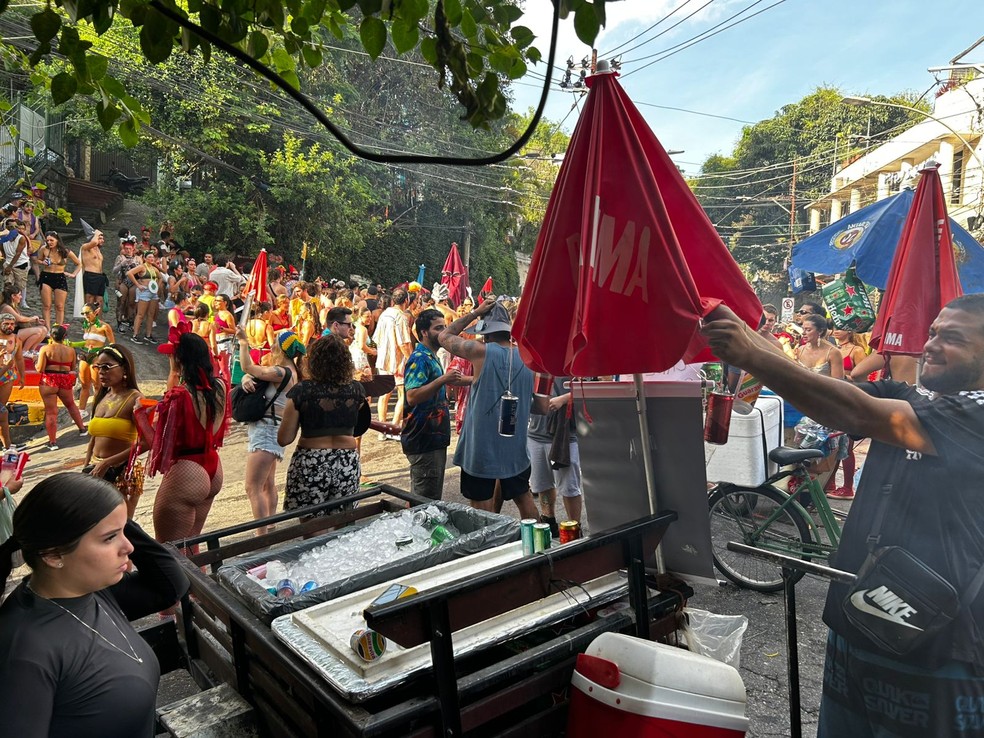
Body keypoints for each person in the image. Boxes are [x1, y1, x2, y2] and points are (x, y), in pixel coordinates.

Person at [702, 294, 984, 738]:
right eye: (932, 332)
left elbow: (854, 411)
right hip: (857, 620)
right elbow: (831, 392)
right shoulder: (909, 395)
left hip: (934, 644)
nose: (930, 344)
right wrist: (750, 331)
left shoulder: (975, 417)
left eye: (952, 338)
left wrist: (751, 352)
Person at [0, 473, 190, 737]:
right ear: (54, 555)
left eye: (124, 531)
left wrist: (106, 509)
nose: (128, 547)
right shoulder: (25, 651)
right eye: (109, 538)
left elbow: (171, 586)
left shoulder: (88, 591)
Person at [439, 298, 539, 519]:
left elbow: (444, 336)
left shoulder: (479, 351)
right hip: (515, 447)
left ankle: (489, 548)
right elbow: (538, 404)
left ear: (485, 331)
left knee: (481, 509)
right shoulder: (527, 357)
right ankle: (538, 547)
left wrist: (475, 312)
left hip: (481, 448)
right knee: (524, 499)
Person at [148, 332, 228, 553]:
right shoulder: (220, 386)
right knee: (192, 543)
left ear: (180, 359)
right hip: (212, 465)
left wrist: (138, 414)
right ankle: (198, 588)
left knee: (169, 551)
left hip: (188, 470)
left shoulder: (179, 396)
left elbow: (158, 443)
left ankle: (182, 589)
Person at [278, 335, 366, 515]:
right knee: (342, 526)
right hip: (347, 460)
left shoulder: (302, 391)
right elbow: (359, 426)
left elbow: (284, 439)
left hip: (311, 462)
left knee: (312, 529)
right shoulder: (357, 390)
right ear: (345, 361)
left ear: (313, 361)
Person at [236, 328, 303, 531]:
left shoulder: (281, 372)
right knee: (267, 484)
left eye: (275, 343)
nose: (271, 346)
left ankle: (261, 535)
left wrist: (243, 342)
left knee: (252, 486)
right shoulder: (291, 372)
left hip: (266, 430)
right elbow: (250, 373)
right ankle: (270, 527)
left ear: (281, 349)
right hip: (274, 428)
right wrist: (246, 379)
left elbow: (247, 365)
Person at [401, 309, 467, 500]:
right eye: (438, 328)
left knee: (429, 498)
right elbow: (412, 396)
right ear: (424, 332)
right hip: (423, 439)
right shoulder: (420, 358)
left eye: (444, 327)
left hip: (433, 438)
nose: (443, 332)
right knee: (424, 502)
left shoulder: (431, 355)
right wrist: (442, 380)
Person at [84, 344, 144, 517]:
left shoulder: (135, 399)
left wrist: (108, 462)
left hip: (123, 474)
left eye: (106, 367)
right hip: (96, 471)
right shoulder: (102, 397)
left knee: (120, 527)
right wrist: (87, 467)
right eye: (98, 367)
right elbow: (93, 439)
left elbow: (147, 442)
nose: (101, 372)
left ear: (124, 368)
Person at [528, 376, 582, 533]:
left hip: (564, 436)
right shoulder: (531, 361)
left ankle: (574, 527)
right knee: (543, 483)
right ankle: (549, 519)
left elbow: (591, 389)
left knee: (569, 486)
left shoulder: (569, 359)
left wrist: (565, 398)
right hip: (535, 434)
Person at [36, 325, 87, 450]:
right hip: (64, 379)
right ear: (65, 337)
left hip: (49, 380)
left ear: (51, 336)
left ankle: (53, 442)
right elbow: (72, 367)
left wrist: (34, 362)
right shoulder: (70, 350)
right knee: (71, 405)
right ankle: (82, 429)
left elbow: (40, 369)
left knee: (51, 412)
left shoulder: (45, 349)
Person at [373, 287, 413, 433]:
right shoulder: (401, 316)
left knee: (384, 394)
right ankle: (394, 427)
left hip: (383, 359)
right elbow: (403, 343)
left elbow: (376, 337)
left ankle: (382, 427)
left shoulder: (385, 314)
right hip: (397, 362)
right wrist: (411, 358)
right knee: (403, 394)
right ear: (406, 300)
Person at [77, 302, 116, 418]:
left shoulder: (104, 327)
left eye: (87, 313)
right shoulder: (86, 325)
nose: (85, 315)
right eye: (83, 313)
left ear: (96, 312)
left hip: (97, 356)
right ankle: (81, 411)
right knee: (84, 385)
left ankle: (96, 411)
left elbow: (113, 344)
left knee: (97, 386)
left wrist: (105, 355)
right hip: (85, 354)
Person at [37, 232, 81, 328]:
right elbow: (37, 260)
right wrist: (42, 262)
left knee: (60, 306)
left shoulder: (65, 251)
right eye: (47, 240)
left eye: (51, 240)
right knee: (46, 305)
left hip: (60, 277)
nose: (49, 242)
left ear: (57, 240)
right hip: (46, 277)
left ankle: (58, 328)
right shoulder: (44, 249)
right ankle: (47, 328)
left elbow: (79, 263)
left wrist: (73, 274)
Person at [0, 311, 24, 451]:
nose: (10, 326)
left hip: (7, 375)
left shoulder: (16, 339)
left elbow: (19, 359)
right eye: (6, 324)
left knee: (2, 408)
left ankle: (6, 445)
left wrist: (23, 376)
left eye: (12, 324)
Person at [127, 251, 162, 344]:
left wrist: (157, 286)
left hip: (153, 292)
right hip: (145, 291)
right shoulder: (142, 267)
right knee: (140, 314)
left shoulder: (154, 269)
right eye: (149, 257)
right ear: (145, 258)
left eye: (152, 257)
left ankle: (148, 335)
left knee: (151, 314)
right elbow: (129, 273)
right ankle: (135, 335)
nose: (151, 259)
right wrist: (138, 285)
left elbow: (161, 277)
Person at [0, 285, 47, 354]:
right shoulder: (6, 307)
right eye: (19, 295)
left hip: (16, 331)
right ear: (13, 296)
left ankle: (31, 350)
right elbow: (19, 319)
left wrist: (36, 321)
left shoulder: (14, 307)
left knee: (44, 329)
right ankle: (24, 351)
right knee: (38, 331)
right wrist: (33, 318)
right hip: (8, 333)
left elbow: (23, 320)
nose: (21, 297)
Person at [113, 237, 142, 332]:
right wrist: (121, 264)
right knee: (121, 302)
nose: (128, 251)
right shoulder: (120, 257)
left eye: (130, 249)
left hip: (134, 282)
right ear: (123, 249)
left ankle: (131, 322)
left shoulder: (138, 258)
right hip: (123, 282)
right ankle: (119, 322)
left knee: (132, 303)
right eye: (126, 249)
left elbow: (142, 271)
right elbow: (114, 271)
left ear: (133, 249)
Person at [2, 218, 31, 307]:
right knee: (7, 284)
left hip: (20, 263)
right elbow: (2, 249)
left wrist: (10, 266)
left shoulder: (21, 238)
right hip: (8, 263)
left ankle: (18, 303)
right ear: (6, 227)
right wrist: (6, 260)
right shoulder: (3, 238)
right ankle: (7, 304)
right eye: (11, 227)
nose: (13, 229)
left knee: (19, 286)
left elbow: (18, 253)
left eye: (15, 227)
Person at [80, 229, 109, 312]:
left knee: (99, 301)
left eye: (102, 238)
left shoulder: (98, 250)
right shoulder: (86, 247)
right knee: (90, 300)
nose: (102, 240)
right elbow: (93, 243)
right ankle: (88, 322)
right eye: (100, 238)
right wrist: (96, 233)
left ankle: (98, 322)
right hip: (91, 276)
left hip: (100, 277)